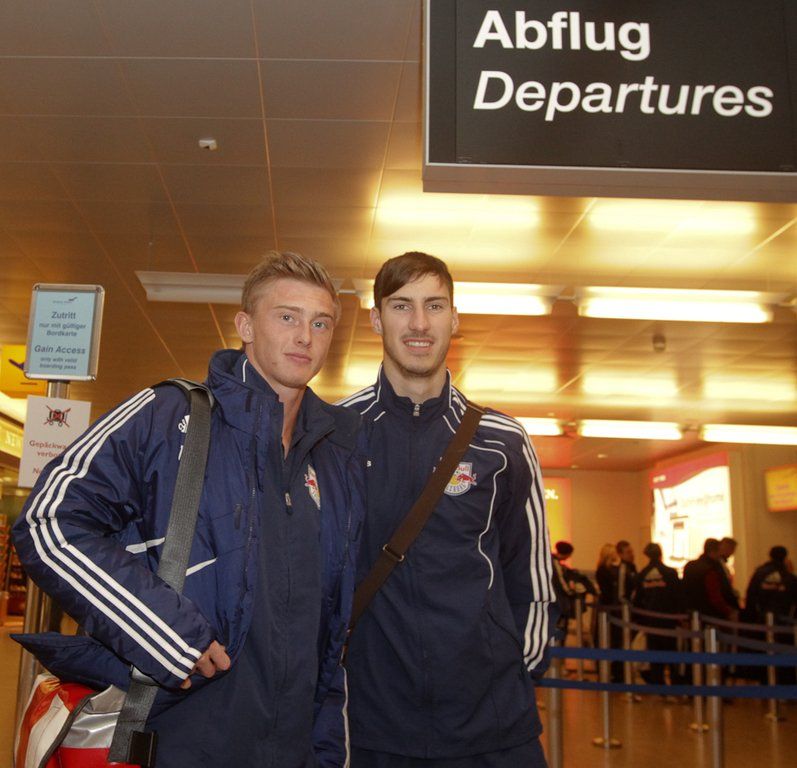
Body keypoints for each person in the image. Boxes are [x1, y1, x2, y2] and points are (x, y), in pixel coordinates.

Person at [12, 251, 365, 768]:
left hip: (292, 748)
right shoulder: (169, 416)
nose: (304, 337)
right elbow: (47, 521)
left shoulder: (334, 460)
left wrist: (327, 751)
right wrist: (165, 631)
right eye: (287, 317)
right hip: (179, 739)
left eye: (320, 323)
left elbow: (329, 632)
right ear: (245, 326)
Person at [339, 252, 555, 767]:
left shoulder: (503, 442)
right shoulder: (336, 435)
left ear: (455, 319)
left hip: (492, 728)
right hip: (371, 725)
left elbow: (532, 581)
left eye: (434, 306)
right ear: (376, 320)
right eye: (401, 306)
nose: (419, 323)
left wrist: (510, 672)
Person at [633, 543, 684, 686]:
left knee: (655, 653)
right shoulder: (670, 573)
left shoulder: (642, 574)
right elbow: (678, 595)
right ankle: (675, 682)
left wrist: (639, 619)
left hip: (650, 619)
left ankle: (658, 683)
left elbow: (638, 599)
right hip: (669, 619)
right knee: (672, 653)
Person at [682, 538, 738, 620]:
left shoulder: (690, 565)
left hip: (692, 612)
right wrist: (728, 611)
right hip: (710, 614)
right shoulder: (712, 570)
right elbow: (715, 596)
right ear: (714, 551)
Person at [745, 546, 797, 623]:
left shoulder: (760, 573)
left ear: (770, 556)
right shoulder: (789, 577)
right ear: (785, 557)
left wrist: (750, 617)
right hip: (784, 618)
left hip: (762, 617)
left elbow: (751, 595)